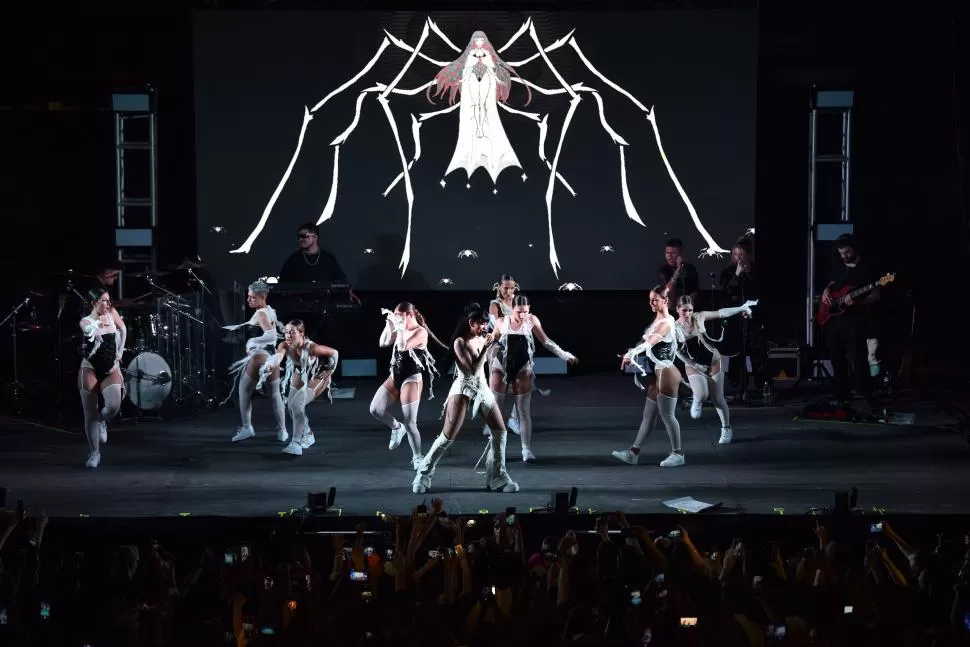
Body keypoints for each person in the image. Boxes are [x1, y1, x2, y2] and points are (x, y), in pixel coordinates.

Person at [411, 302, 518, 494]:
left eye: (486, 324)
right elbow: (473, 370)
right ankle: (423, 473)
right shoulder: (460, 342)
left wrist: (495, 345)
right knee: (447, 436)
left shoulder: (481, 337)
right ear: (471, 322)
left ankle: (498, 477)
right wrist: (486, 348)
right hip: (464, 389)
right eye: (481, 324)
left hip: (483, 389)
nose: (485, 328)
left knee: (500, 432)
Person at [489, 294, 577, 462]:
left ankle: (526, 450)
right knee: (497, 413)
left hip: (523, 367)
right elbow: (493, 342)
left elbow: (546, 341)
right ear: (512, 309)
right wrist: (487, 357)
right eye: (519, 312)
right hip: (500, 366)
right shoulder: (502, 322)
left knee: (523, 411)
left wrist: (565, 355)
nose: (522, 315)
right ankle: (496, 450)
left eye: (525, 311)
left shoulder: (531, 320)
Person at [611, 286, 685, 467]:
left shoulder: (666, 323)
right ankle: (633, 453)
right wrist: (631, 352)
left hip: (667, 372)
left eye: (655, 299)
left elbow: (652, 341)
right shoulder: (658, 319)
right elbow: (645, 341)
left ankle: (678, 454)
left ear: (666, 301)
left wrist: (634, 353)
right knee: (648, 415)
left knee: (667, 415)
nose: (651, 302)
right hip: (658, 373)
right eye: (650, 299)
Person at [369, 302, 447, 470]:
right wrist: (390, 325)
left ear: (409, 315)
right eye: (396, 316)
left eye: (400, 316)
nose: (398, 319)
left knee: (410, 422)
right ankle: (397, 428)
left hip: (411, 378)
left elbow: (403, 346)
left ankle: (417, 456)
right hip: (395, 376)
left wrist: (400, 328)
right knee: (375, 409)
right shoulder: (400, 327)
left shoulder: (421, 332)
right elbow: (383, 343)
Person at [674, 295, 758, 445]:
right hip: (694, 363)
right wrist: (693, 364)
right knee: (701, 395)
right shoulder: (674, 328)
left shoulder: (699, 317)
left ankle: (726, 428)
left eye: (690, 310)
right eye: (684, 311)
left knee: (718, 398)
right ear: (677, 310)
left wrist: (742, 308)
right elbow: (676, 351)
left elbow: (722, 312)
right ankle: (697, 400)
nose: (687, 314)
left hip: (713, 359)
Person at [220, 280, 288, 445]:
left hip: (260, 356)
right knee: (274, 394)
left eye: (253, 297)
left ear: (263, 296)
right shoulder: (270, 311)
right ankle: (283, 431)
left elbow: (271, 335)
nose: (248, 300)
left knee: (243, 392)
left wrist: (251, 342)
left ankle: (247, 427)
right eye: (248, 296)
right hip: (271, 356)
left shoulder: (260, 314)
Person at [260, 320, 339, 456]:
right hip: (300, 373)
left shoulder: (313, 348)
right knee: (290, 406)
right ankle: (308, 434)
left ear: (301, 334)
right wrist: (269, 366)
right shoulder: (284, 345)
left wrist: (331, 369)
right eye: (286, 333)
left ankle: (296, 443)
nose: (288, 336)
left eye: (292, 333)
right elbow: (278, 357)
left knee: (297, 405)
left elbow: (334, 352)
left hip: (317, 375)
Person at [821, 234, 879, 407]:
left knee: (858, 355)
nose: (844, 255)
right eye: (841, 253)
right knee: (835, 355)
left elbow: (875, 295)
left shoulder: (866, 268)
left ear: (854, 249)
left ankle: (865, 392)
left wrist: (859, 300)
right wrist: (825, 291)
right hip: (834, 317)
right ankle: (841, 392)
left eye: (847, 252)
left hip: (855, 317)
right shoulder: (838, 264)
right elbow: (832, 282)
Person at [77, 288, 127, 468]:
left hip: (110, 367)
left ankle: (102, 421)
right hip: (89, 368)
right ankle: (95, 453)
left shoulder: (112, 313)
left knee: (113, 407)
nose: (107, 304)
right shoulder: (86, 321)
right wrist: (93, 328)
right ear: (94, 303)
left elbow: (123, 329)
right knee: (90, 412)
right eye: (103, 301)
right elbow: (86, 328)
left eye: (108, 300)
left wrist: (120, 352)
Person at [718, 237, 766, 394]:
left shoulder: (756, 271)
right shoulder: (727, 272)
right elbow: (727, 292)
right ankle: (737, 384)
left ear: (748, 255)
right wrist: (736, 275)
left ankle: (761, 384)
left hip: (753, 316)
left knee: (757, 351)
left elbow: (761, 292)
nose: (738, 257)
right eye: (735, 254)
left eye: (741, 254)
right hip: (734, 318)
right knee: (736, 352)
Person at [278, 222, 348, 284]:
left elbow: (342, 280)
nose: (300, 239)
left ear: (315, 237)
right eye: (298, 237)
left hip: (325, 298)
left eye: (304, 236)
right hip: (300, 298)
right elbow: (282, 285)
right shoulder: (292, 260)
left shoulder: (328, 258)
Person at [657, 238, 699, 304]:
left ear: (681, 254)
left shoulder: (690, 268)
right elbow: (667, 291)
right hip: (670, 306)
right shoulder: (663, 269)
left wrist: (688, 303)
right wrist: (678, 269)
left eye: (673, 253)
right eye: (667, 253)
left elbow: (695, 289)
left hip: (688, 306)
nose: (670, 256)